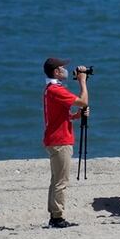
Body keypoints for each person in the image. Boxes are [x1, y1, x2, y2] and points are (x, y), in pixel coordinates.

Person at [42, 57, 90, 229]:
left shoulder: (51, 89)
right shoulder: (55, 90)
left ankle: (54, 215)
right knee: (61, 181)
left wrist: (76, 116)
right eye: (62, 68)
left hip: (55, 138)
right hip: (60, 140)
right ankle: (57, 217)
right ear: (56, 72)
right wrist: (83, 82)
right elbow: (83, 101)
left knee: (56, 179)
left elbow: (58, 116)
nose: (65, 70)